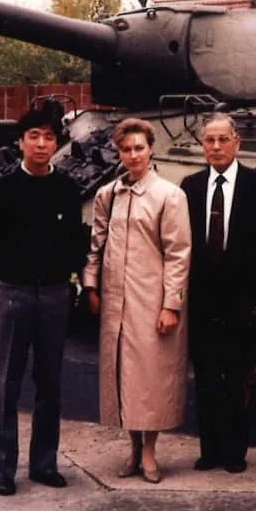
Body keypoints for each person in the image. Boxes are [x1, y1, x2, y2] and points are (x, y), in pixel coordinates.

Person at [0, 106, 87, 497]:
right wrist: (9, 275)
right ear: (21, 142)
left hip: (55, 295)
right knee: (5, 382)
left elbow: (77, 239)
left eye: (48, 137)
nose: (41, 145)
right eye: (33, 137)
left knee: (50, 383)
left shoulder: (66, 188)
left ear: (56, 143)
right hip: (14, 294)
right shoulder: (3, 187)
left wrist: (64, 273)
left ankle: (44, 463)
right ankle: (3, 468)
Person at [82, 117, 192, 484]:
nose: (133, 155)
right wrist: (91, 287)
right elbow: (96, 246)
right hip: (116, 301)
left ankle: (149, 452)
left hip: (151, 300)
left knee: (149, 378)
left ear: (151, 149)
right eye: (126, 149)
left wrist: (171, 305)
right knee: (122, 377)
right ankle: (131, 448)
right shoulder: (107, 195)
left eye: (139, 148)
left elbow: (178, 254)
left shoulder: (169, 195)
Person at [180, 113, 256, 474]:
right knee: (205, 375)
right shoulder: (189, 186)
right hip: (202, 298)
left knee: (237, 377)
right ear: (202, 145)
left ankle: (236, 451)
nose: (216, 147)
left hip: (242, 298)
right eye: (209, 140)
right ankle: (210, 450)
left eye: (223, 139)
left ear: (237, 142)